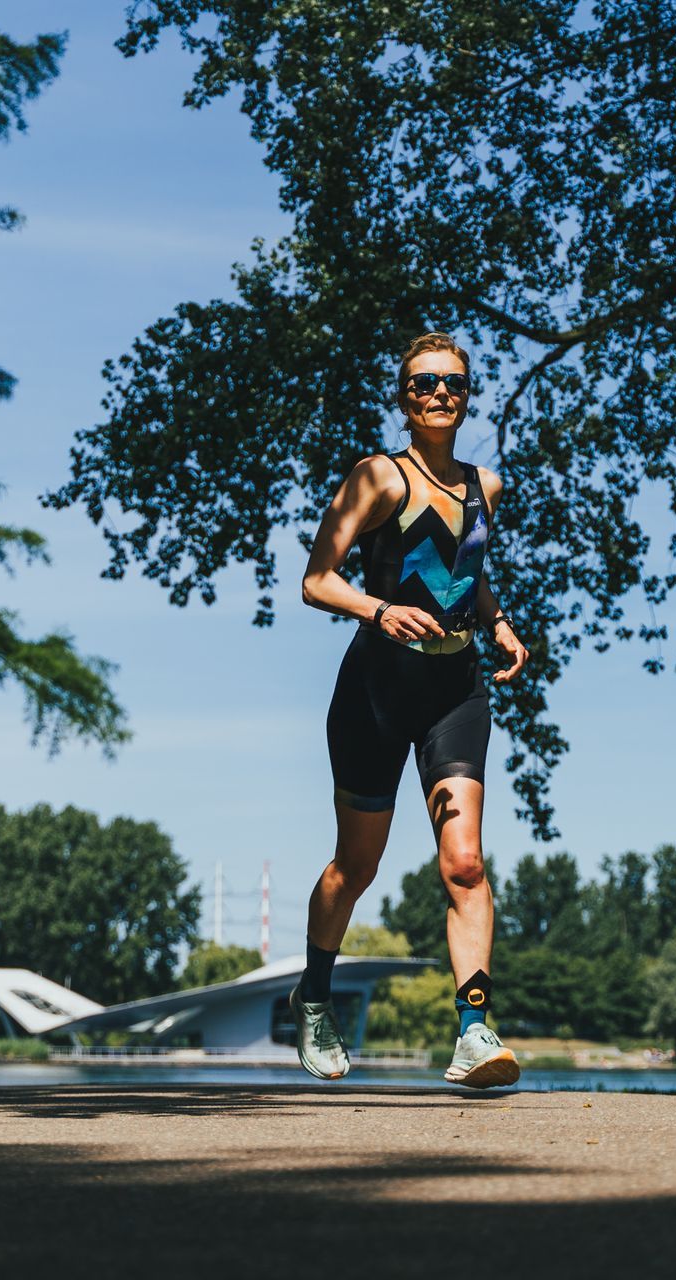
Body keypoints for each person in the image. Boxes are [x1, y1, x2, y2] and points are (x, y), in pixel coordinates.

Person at [290, 332, 531, 1088]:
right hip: (375, 689)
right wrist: (379, 609)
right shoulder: (377, 477)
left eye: (453, 383)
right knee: (357, 865)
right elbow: (317, 579)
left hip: (455, 689)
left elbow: (466, 570)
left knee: (465, 863)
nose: (439, 394)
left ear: (468, 395)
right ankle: (315, 996)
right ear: (404, 397)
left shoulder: (486, 486)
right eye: (424, 383)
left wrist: (497, 622)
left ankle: (474, 1029)